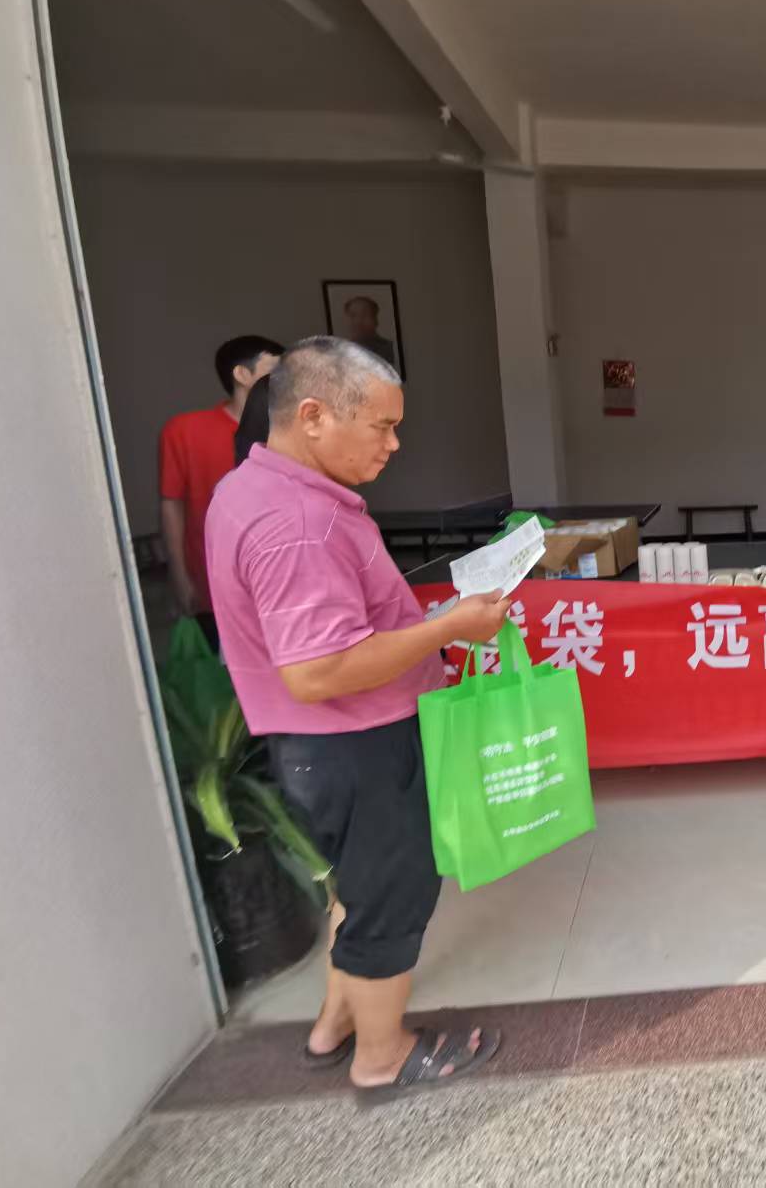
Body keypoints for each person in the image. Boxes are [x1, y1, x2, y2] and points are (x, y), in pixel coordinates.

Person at [205, 336, 516, 1095]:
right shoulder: (299, 524)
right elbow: (319, 670)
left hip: (318, 746)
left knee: (358, 888)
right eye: (382, 425)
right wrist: (448, 627)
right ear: (313, 415)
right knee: (391, 897)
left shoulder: (249, 490)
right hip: (358, 742)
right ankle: (384, 1055)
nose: (394, 443)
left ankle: (334, 1023)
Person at [159, 335, 283, 646]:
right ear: (242, 374)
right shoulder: (184, 431)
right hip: (213, 583)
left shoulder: (290, 431)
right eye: (275, 370)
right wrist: (179, 575)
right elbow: (172, 504)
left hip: (281, 579)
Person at [342, 295, 399, 368]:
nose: (358, 321)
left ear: (375, 320)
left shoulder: (390, 349)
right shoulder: (340, 352)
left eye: (365, 315)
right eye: (353, 315)